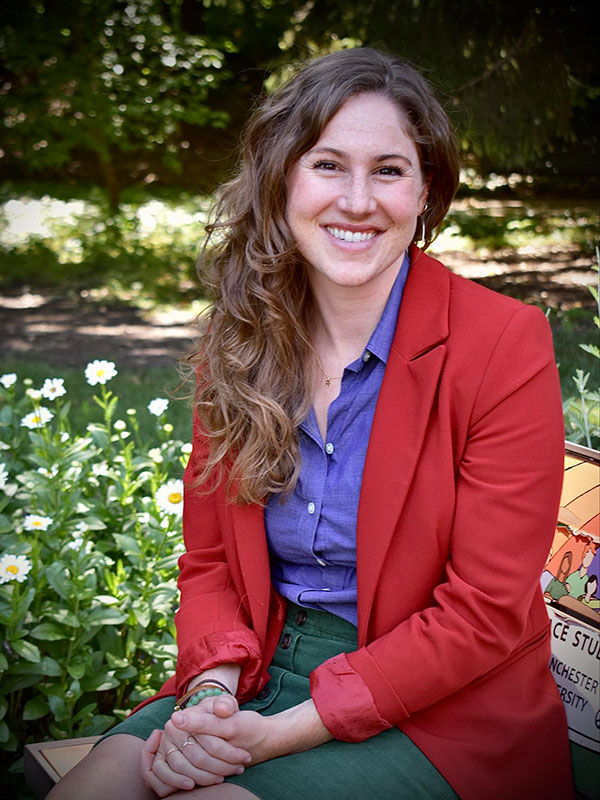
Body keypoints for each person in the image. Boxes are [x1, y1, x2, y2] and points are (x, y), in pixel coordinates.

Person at [48, 47, 574, 800]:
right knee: (92, 790)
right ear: (283, 179)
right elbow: (210, 565)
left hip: (444, 710)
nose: (357, 200)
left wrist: (269, 740)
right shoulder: (240, 338)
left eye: (389, 171)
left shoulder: (501, 344)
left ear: (425, 192)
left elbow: (484, 614)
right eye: (328, 165)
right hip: (254, 664)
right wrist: (210, 698)